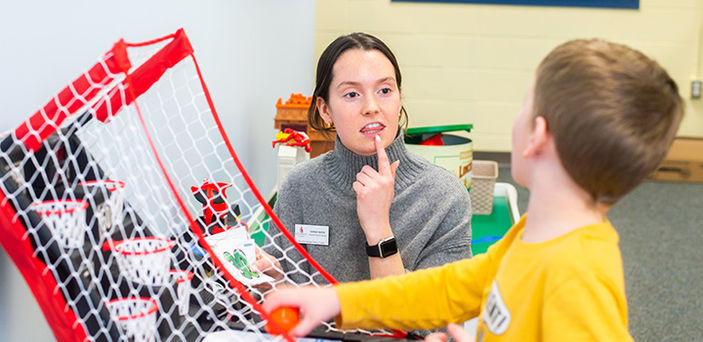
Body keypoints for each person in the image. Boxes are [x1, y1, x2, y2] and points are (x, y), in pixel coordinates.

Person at [262, 38, 684, 341]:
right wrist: (338, 303)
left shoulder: (577, 276)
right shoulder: (529, 237)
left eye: (524, 103)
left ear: (536, 135)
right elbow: (444, 289)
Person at [254, 32, 472, 285]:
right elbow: (283, 303)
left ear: (400, 99)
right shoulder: (299, 186)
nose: (371, 107)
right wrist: (272, 281)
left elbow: (434, 319)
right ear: (325, 110)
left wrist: (379, 227)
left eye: (384, 90)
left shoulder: (445, 197)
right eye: (351, 94)